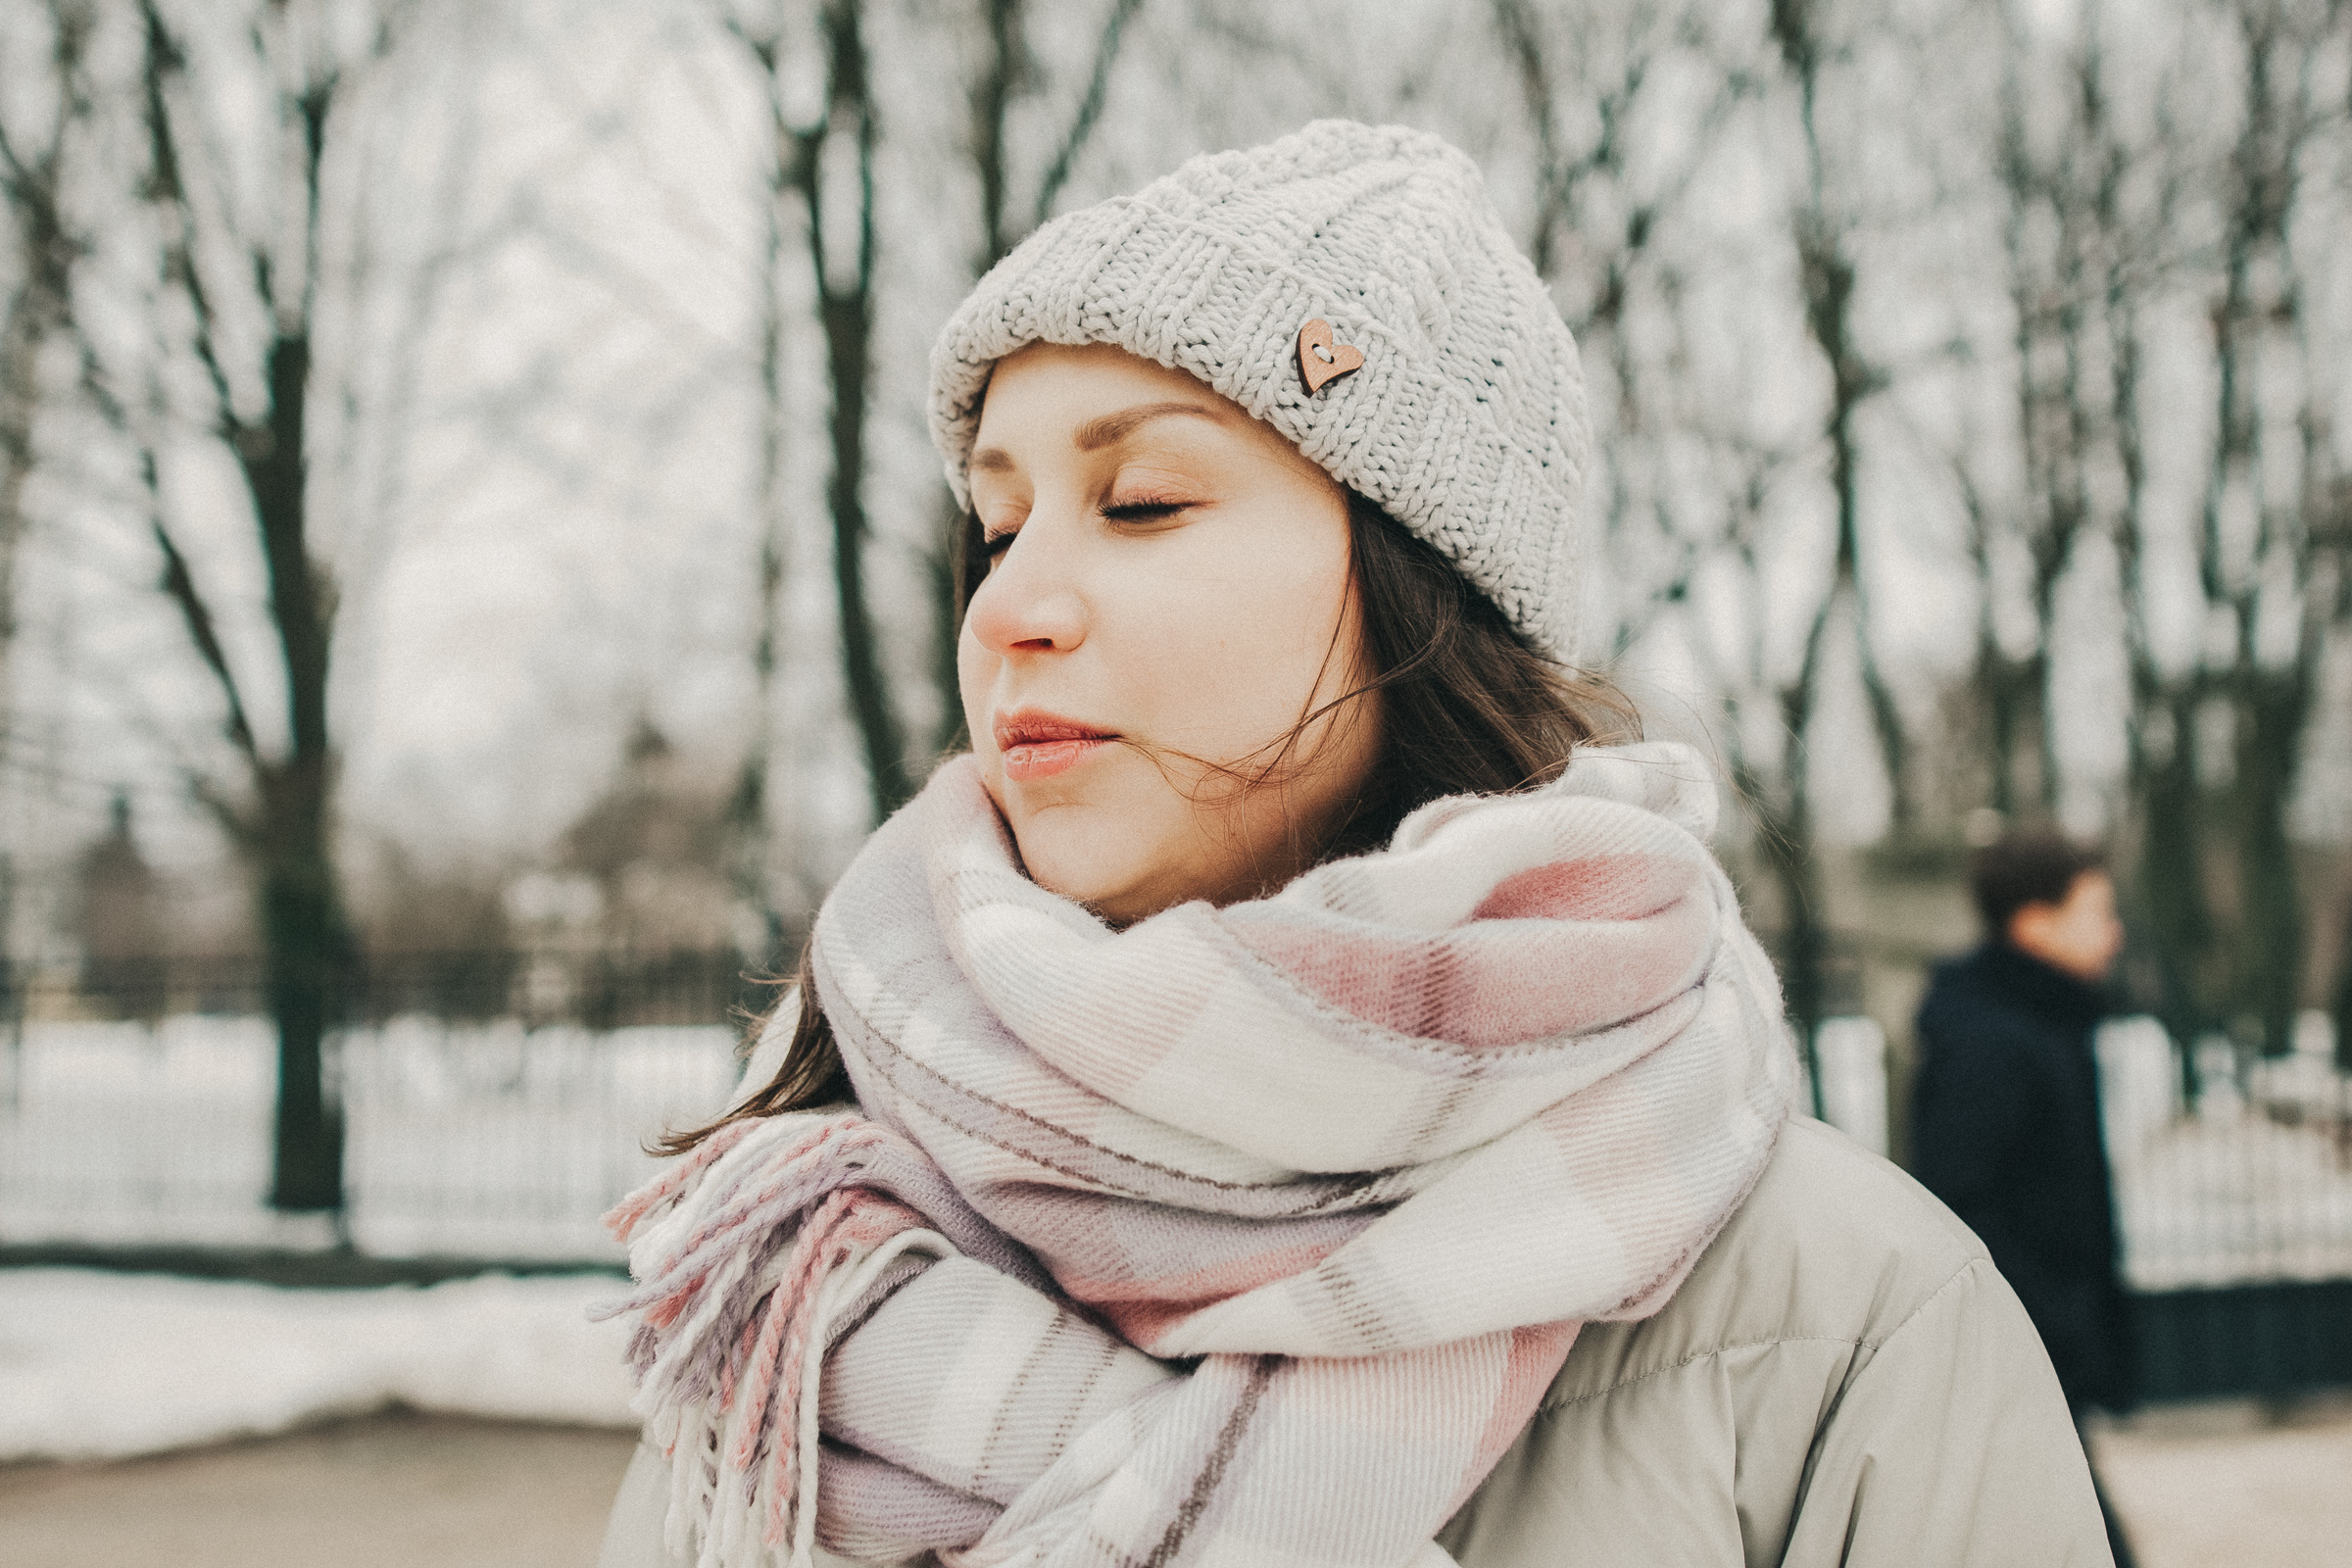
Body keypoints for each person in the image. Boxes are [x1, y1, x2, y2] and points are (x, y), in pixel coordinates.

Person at [598, 122, 2109, 1568]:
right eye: (996, 527)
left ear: (1417, 587)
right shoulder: (814, 1273)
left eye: (1141, 500)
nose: (1007, 608)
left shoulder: (1843, 1315)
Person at [1913, 830, 2137, 1566]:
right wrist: (2052, 1319)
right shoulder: (1993, 1039)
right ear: (2034, 923)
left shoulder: (2042, 1021)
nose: (2115, 931)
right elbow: (1959, 1199)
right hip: (2025, 1341)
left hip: (2047, 1336)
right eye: (2096, 910)